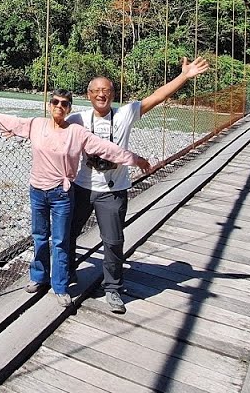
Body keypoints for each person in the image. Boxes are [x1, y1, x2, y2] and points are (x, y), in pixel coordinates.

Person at [0, 90, 151, 307]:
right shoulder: (36, 125)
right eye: (55, 102)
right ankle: (39, 277)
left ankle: (60, 286)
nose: (59, 106)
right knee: (39, 235)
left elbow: (108, 150)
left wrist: (136, 159)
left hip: (62, 193)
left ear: (70, 109)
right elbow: (11, 122)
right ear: (50, 105)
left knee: (60, 241)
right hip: (37, 191)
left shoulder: (77, 132)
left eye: (65, 103)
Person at [66, 56, 210, 313]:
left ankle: (112, 288)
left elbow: (157, 96)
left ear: (113, 94)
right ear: (88, 95)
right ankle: (65, 274)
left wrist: (184, 77)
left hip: (113, 190)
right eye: (97, 91)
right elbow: (50, 126)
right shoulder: (78, 119)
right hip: (83, 187)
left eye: (107, 91)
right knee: (67, 234)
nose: (102, 95)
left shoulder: (124, 115)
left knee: (112, 241)